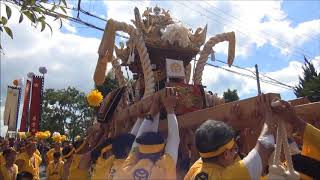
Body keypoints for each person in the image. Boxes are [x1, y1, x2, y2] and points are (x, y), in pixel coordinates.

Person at [185, 94, 276, 180]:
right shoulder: (229, 176)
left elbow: (214, 140)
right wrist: (267, 115)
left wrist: (234, 124)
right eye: (234, 150)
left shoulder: (195, 168)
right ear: (226, 154)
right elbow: (265, 145)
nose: (235, 153)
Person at [118, 88, 180, 179]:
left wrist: (165, 110)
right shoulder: (162, 169)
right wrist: (153, 114)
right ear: (161, 152)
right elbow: (173, 140)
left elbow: (174, 140)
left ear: (139, 152)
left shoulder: (125, 171)